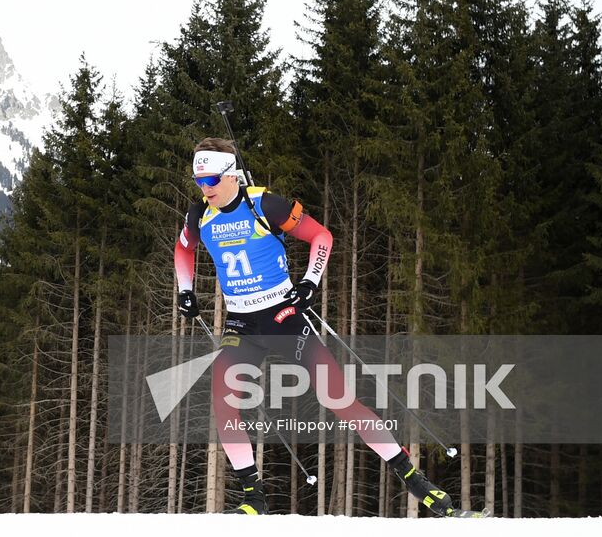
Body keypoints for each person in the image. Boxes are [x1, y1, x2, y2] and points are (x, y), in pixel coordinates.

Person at [175, 137, 456, 516]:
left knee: (339, 398)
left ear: (231, 176)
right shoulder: (199, 216)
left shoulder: (267, 205)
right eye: (198, 182)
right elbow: (183, 249)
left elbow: (321, 236)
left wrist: (309, 282)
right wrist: (186, 290)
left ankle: (417, 482)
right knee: (224, 403)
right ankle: (252, 498)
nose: (204, 189)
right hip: (241, 322)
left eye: (210, 181)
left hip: (282, 318)